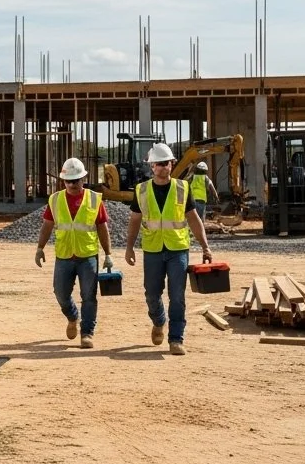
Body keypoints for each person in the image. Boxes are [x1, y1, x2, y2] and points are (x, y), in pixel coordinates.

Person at [124, 142, 212, 356]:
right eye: (158, 164)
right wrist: (129, 247)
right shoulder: (141, 190)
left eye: (166, 163)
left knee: (177, 295)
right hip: (153, 249)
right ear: (151, 166)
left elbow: (194, 219)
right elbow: (135, 220)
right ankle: (158, 320)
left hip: (177, 250)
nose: (163, 167)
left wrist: (205, 247)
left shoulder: (183, 188)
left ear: (172, 164)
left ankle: (176, 338)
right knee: (152, 294)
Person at [34, 158, 112, 348]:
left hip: (88, 256)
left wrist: (108, 254)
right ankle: (72, 316)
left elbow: (102, 228)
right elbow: (47, 225)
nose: (72, 184)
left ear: (83, 179)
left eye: (76, 180)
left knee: (89, 296)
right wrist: (40, 248)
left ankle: (87, 333)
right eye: (69, 181)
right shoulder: (55, 199)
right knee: (60, 293)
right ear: (63, 181)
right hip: (64, 255)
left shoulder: (94, 199)